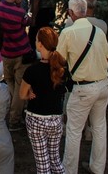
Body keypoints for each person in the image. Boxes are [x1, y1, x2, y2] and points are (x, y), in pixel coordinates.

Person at [58, 0, 108, 174]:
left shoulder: (68, 33)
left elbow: (58, 61)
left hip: (83, 88)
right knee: (99, 127)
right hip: (103, 85)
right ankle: (97, 168)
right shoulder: (99, 31)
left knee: (74, 131)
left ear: (71, 13)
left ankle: (69, 170)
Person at [20, 27, 68, 174]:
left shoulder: (32, 70)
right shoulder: (62, 67)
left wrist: (29, 94)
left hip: (37, 120)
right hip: (56, 119)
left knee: (43, 165)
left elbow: (22, 95)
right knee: (55, 160)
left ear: (40, 44)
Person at [0, 0, 33, 131]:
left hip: (5, 52)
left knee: (10, 82)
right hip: (20, 53)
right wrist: (19, 5)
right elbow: (28, 22)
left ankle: (15, 108)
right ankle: (15, 118)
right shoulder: (19, 12)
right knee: (19, 88)